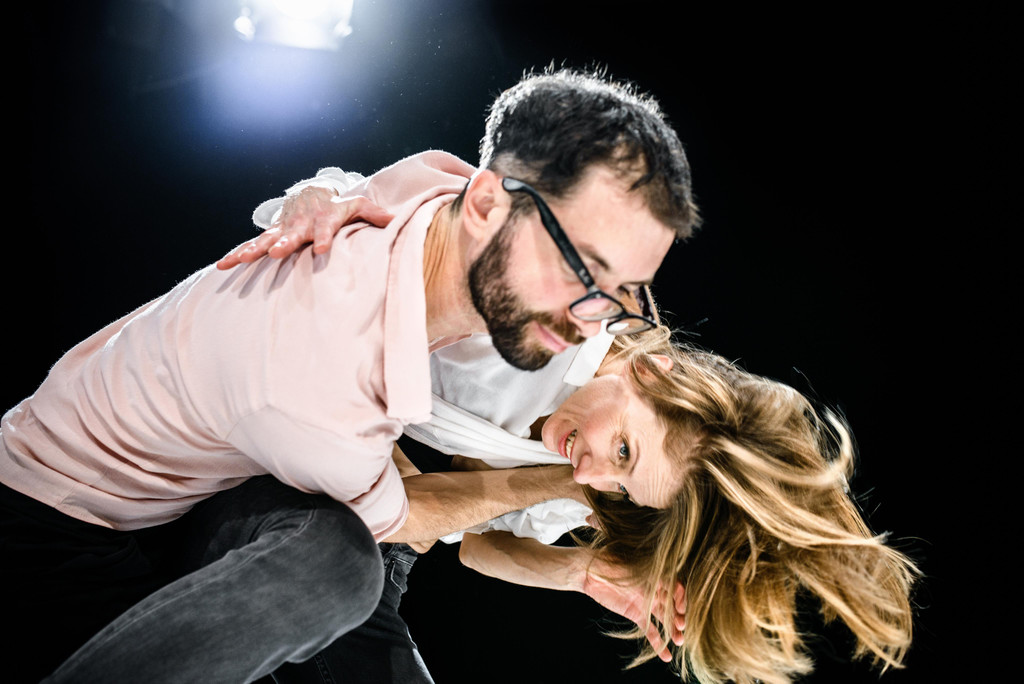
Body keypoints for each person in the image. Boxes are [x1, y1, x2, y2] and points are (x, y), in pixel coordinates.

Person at [0, 66, 700, 683]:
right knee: (343, 569)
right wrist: (560, 484)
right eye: (583, 271)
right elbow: (409, 515)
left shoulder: (436, 187)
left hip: (204, 494)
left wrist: (320, 187)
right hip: (60, 528)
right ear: (488, 205)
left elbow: (384, 191)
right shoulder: (322, 365)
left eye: (622, 293)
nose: (589, 320)